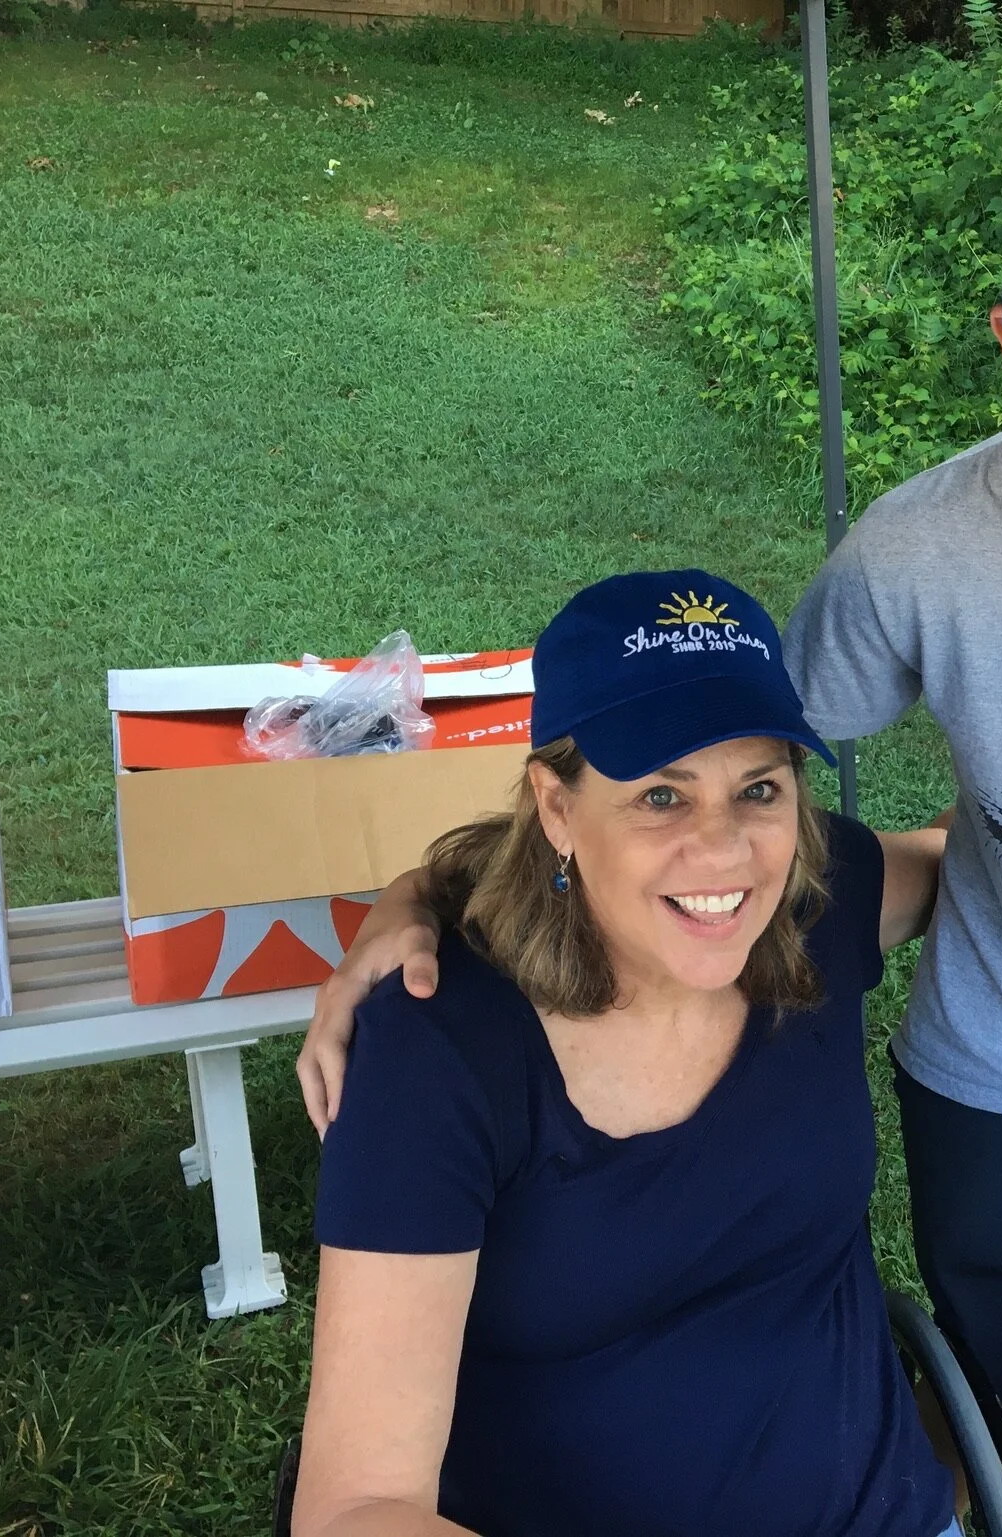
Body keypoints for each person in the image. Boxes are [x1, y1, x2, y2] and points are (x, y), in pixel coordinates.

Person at [301, 97, 1002, 1521]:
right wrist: (424, 898)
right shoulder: (920, 550)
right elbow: (712, 761)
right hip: (988, 1061)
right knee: (979, 1393)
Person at [290, 570, 959, 1537]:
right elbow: (355, 1507)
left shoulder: (818, 903)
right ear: (556, 808)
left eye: (758, 788)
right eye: (659, 796)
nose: (724, 851)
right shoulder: (438, 1047)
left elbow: (962, 862)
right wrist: (410, 902)